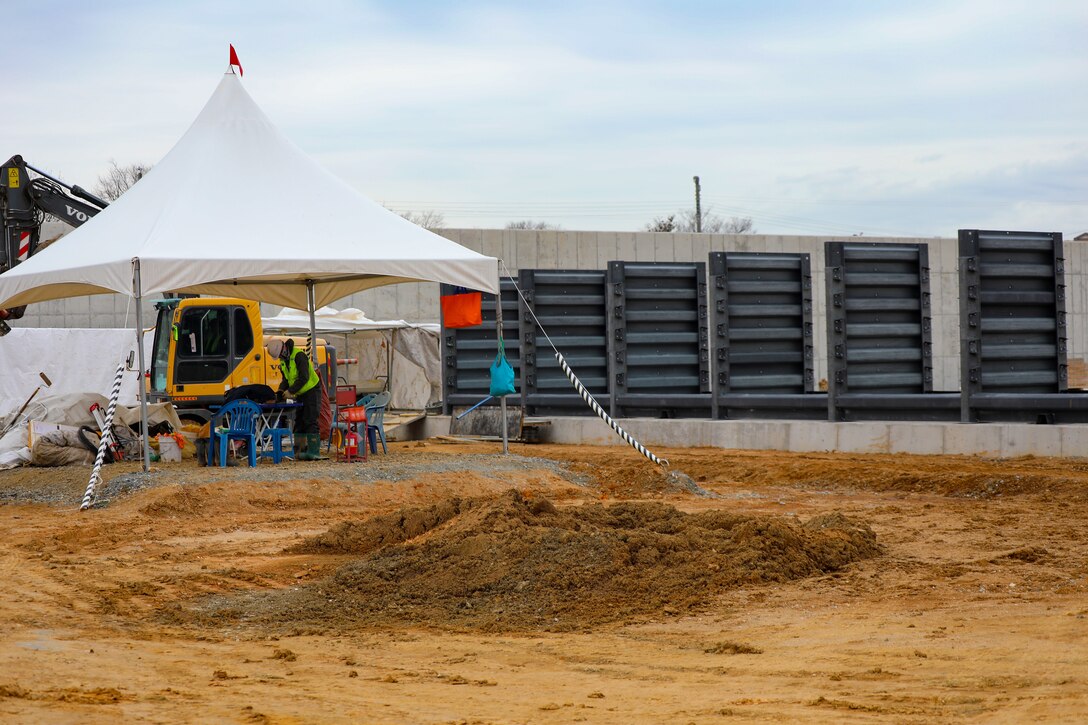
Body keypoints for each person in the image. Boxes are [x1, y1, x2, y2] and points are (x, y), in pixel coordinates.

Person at [269, 338, 321, 461]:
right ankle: (299, 450)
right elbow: (286, 380)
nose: (280, 357)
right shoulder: (284, 360)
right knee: (299, 420)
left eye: (280, 355)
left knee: (310, 419)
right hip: (300, 392)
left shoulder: (299, 356)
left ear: (284, 348)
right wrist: (281, 391)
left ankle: (314, 452)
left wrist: (290, 391)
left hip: (311, 390)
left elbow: (304, 377)